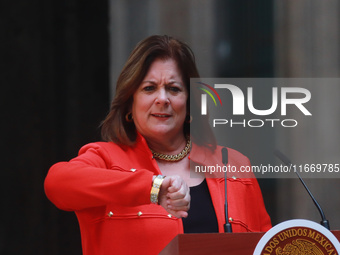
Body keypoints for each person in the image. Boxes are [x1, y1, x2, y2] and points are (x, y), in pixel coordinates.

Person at [44, 35, 271, 255]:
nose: (162, 99)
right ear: (130, 104)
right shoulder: (106, 158)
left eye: (174, 89)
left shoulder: (234, 164)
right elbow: (57, 183)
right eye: (149, 88)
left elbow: (268, 245)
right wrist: (153, 188)